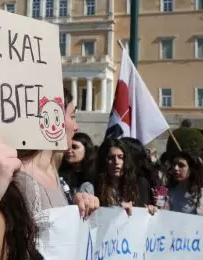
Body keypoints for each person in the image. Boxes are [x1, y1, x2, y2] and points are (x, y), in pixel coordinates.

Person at [14, 88, 99, 219]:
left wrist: (78, 204)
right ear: (54, 119)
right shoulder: (21, 179)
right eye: (72, 117)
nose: (76, 127)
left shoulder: (53, 172)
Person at [95, 137, 156, 215]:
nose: (116, 162)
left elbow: (141, 215)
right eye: (111, 158)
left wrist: (150, 210)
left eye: (121, 157)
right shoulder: (94, 186)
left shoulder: (138, 184)